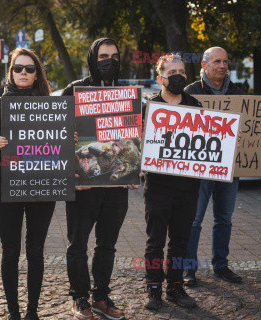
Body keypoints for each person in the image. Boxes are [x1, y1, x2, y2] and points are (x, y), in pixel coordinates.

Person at [62, 38, 134, 320]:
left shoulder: (127, 93)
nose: (110, 61)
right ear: (93, 58)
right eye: (103, 56)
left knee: (107, 244)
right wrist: (70, 138)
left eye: (115, 56)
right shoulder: (74, 90)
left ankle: (101, 295)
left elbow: (131, 141)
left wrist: (133, 169)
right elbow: (57, 134)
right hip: (83, 182)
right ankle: (79, 297)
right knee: (77, 243)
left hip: (116, 185)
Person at [0, 47, 55, 320]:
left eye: (29, 68)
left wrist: (68, 141)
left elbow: (60, 146)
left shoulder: (51, 105)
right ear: (10, 72)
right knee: (10, 252)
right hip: (6, 189)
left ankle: (32, 312)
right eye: (18, 68)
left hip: (42, 188)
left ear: (37, 73)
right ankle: (14, 311)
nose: (23, 73)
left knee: (36, 252)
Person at [143, 54, 201, 311]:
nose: (178, 75)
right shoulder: (149, 107)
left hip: (188, 187)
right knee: (155, 240)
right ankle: (153, 288)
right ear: (161, 78)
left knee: (180, 240)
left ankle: (175, 287)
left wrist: (229, 136)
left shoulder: (196, 106)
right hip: (157, 186)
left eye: (182, 71)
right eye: (172, 71)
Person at [184, 47, 243, 286]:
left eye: (225, 62)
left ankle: (221, 265)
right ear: (204, 65)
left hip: (229, 168)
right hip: (199, 170)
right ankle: (189, 269)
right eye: (217, 61)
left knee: (224, 219)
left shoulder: (239, 94)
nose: (222, 66)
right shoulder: (191, 92)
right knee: (194, 219)